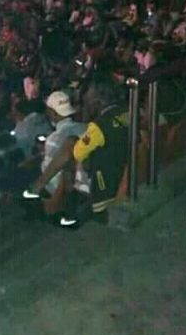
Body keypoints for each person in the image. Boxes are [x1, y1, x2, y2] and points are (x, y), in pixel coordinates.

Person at [25, 77, 129, 228]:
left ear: (97, 101)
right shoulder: (126, 112)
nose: (85, 102)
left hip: (101, 187)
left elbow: (75, 153)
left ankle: (39, 188)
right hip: (120, 170)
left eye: (88, 99)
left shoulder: (100, 126)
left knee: (70, 146)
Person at [22, 90, 86, 203]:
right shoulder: (86, 128)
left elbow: (52, 181)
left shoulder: (55, 138)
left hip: (64, 195)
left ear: (52, 112)